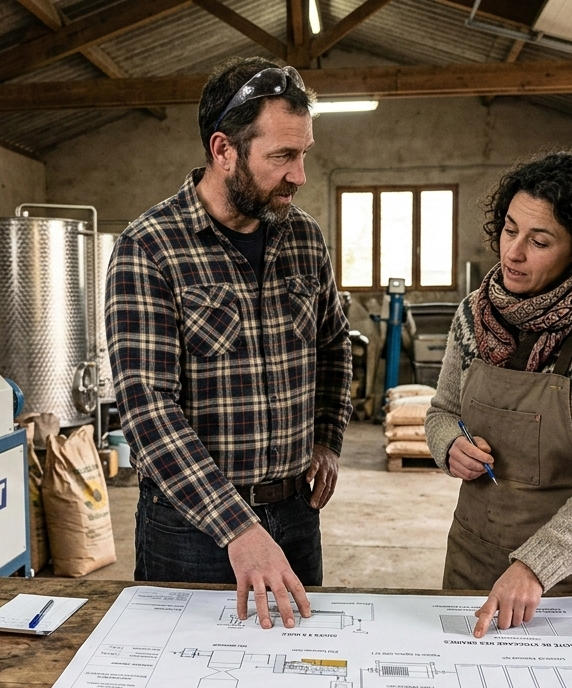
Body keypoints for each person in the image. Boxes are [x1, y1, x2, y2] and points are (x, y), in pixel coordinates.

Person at [105, 57, 352, 629]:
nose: (300, 176)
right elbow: (148, 408)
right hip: (189, 529)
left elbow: (334, 343)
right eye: (283, 157)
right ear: (223, 150)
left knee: (295, 666)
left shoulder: (304, 237)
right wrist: (238, 527)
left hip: (295, 513)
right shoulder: (150, 248)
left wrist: (328, 439)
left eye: (304, 154)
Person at [424, 151, 572, 638]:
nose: (513, 252)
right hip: (474, 558)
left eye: (539, 241)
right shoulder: (474, 316)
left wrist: (535, 565)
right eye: (510, 230)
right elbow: (441, 411)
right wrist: (448, 444)